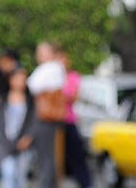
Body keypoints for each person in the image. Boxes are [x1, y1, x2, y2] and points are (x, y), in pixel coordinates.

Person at [27, 41, 67, 188]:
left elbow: (32, 85)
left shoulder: (52, 67)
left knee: (46, 156)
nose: (39, 55)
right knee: (46, 156)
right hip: (46, 118)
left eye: (42, 52)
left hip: (46, 119)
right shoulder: (52, 68)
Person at [0, 69, 36, 188]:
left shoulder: (31, 101)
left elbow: (33, 122)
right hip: (4, 143)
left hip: (23, 144)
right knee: (8, 173)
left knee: (21, 176)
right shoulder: (2, 99)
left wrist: (28, 137)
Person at [59, 51, 92, 188]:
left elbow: (73, 97)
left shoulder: (72, 77)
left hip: (68, 121)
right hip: (54, 122)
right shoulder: (53, 77)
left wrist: (55, 95)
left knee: (77, 156)